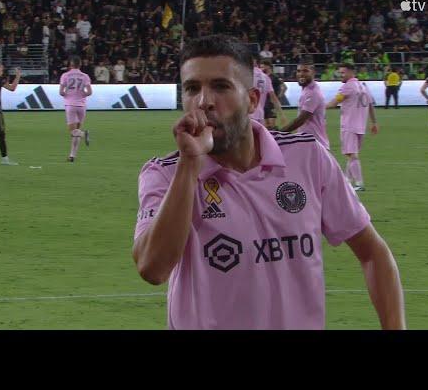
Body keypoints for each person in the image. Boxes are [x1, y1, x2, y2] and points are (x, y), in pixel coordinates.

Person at [131, 35, 405, 330]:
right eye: (192, 88)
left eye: (221, 87)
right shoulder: (164, 174)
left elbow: (373, 253)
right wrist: (189, 163)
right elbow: (152, 268)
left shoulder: (308, 157)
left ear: (252, 100)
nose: (205, 101)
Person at [326, 63, 379, 192]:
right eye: (340, 73)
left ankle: (359, 183)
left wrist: (319, 108)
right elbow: (371, 105)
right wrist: (374, 122)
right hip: (360, 126)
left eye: (343, 73)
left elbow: (335, 102)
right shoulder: (363, 86)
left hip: (349, 125)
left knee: (352, 155)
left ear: (350, 73)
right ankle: (347, 182)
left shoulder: (347, 87)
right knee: (351, 155)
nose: (341, 75)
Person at [280, 60, 330, 150]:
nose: (301, 74)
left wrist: (280, 133)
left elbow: (301, 120)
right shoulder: (307, 90)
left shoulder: (313, 93)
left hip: (315, 144)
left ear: (313, 72)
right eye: (299, 71)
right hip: (309, 141)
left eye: (305, 71)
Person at [59, 55, 93, 163]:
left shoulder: (65, 75)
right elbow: (89, 92)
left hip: (70, 104)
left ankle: (84, 134)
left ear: (71, 64)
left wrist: (66, 94)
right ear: (80, 64)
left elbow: (61, 92)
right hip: (81, 106)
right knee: (76, 130)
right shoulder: (85, 76)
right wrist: (82, 94)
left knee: (74, 132)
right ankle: (72, 156)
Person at [250, 58, 286, 129]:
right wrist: (282, 114)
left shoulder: (246, 75)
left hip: (249, 115)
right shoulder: (266, 77)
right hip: (260, 114)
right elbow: (274, 97)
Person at [260, 60, 287, 130]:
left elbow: (284, 87)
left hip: (272, 103)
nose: (261, 68)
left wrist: (279, 96)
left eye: (263, 67)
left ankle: (275, 137)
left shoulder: (275, 77)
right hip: (263, 103)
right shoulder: (262, 77)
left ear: (268, 67)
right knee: (266, 125)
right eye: (261, 67)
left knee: (271, 124)